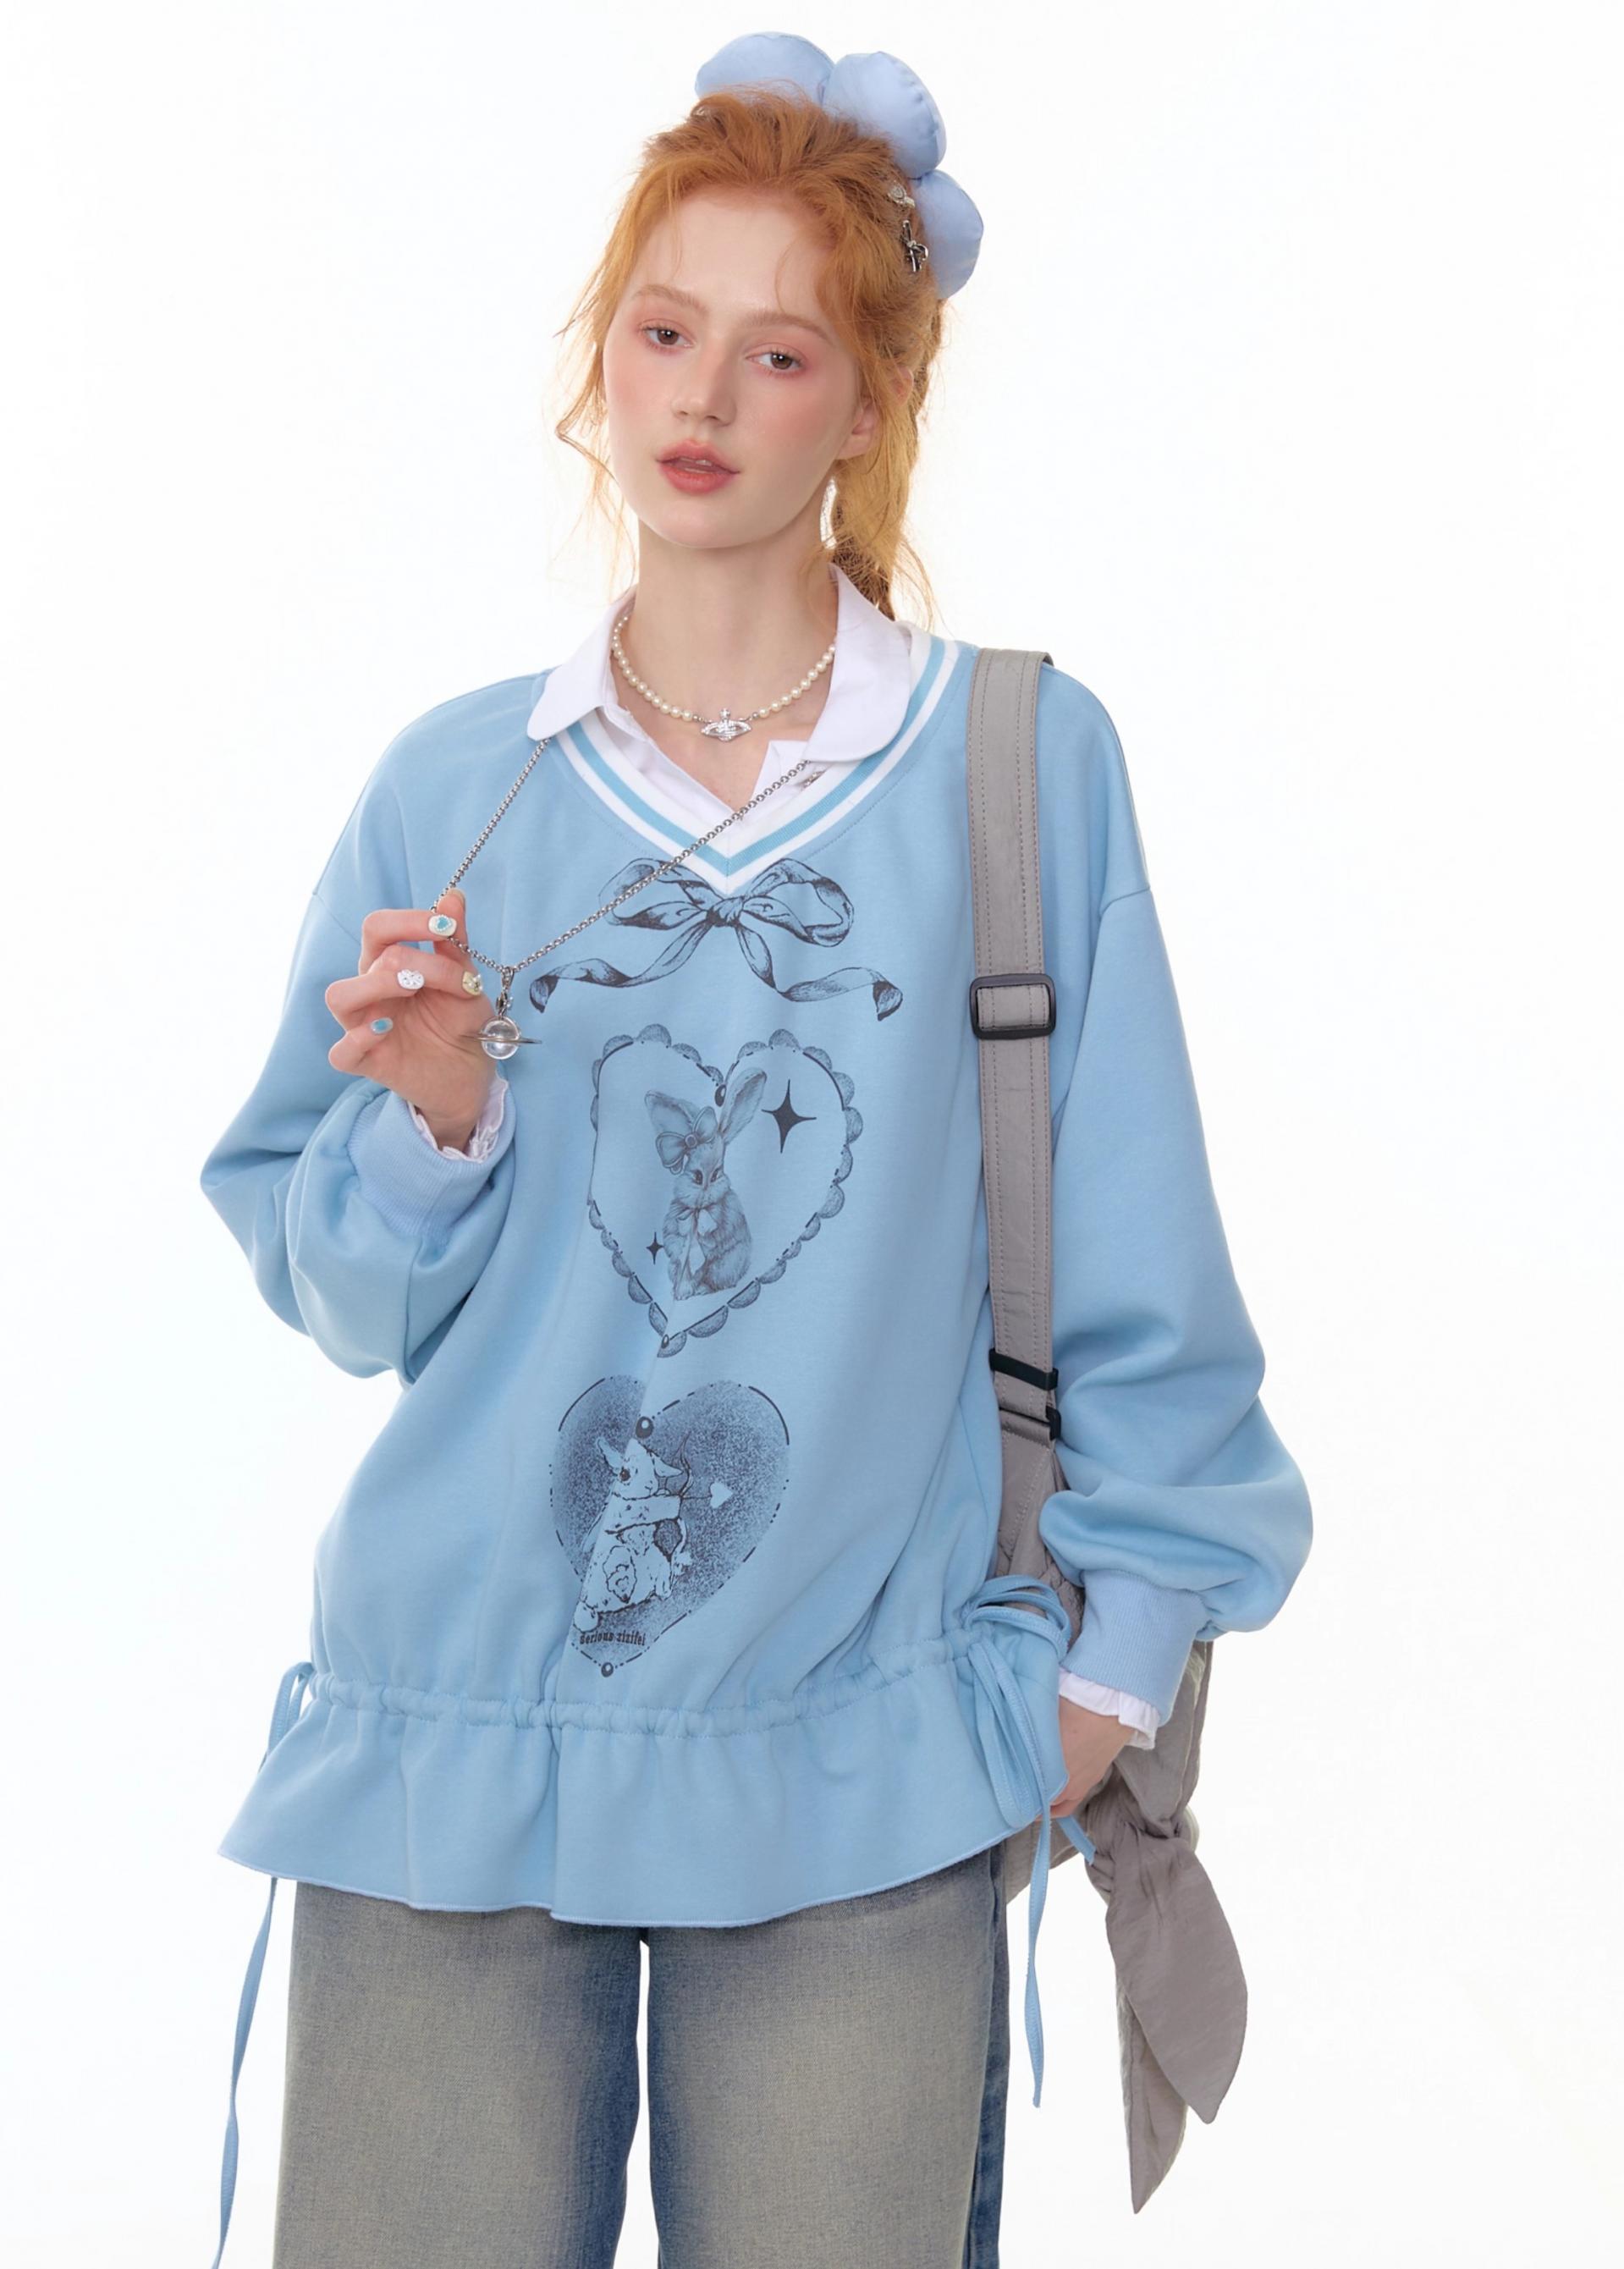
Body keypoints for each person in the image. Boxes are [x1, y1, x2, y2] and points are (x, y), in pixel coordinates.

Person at [195, 34, 1313, 2269]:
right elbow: (334, 1291)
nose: (701, 397)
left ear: (870, 405)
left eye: (779, 352)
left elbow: (1142, 1243)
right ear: (597, 361)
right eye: (661, 330)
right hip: (458, 1737)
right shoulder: (459, 790)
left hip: (861, 1744)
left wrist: (1117, 1662)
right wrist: (439, 1117)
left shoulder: (1015, 767)